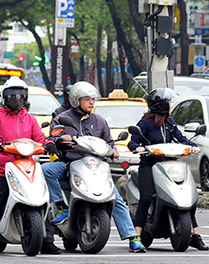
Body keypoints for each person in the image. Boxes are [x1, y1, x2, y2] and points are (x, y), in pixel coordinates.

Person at [43, 81, 147, 254]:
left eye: (93, 99)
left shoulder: (99, 121)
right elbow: (51, 138)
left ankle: (133, 237)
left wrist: (113, 150)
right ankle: (61, 207)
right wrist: (58, 141)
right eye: (87, 99)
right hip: (70, 164)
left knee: (115, 198)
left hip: (96, 167)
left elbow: (109, 142)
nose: (91, 102)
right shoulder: (62, 119)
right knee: (46, 170)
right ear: (76, 100)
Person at [0, 77, 45, 255]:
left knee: (42, 198)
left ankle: (47, 239)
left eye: (20, 96)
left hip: (26, 167)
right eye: (12, 96)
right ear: (5, 98)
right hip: (2, 169)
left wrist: (47, 144)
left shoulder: (30, 119)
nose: (16, 99)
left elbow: (40, 138)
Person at [128, 88, 208, 251]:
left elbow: (182, 139)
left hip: (170, 164)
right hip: (149, 164)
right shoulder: (145, 123)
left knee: (188, 197)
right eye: (169, 102)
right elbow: (132, 142)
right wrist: (138, 148)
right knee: (146, 198)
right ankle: (136, 237)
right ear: (162, 104)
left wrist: (193, 146)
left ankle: (195, 234)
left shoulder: (170, 123)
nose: (171, 105)